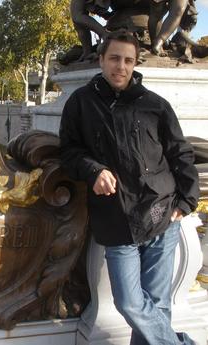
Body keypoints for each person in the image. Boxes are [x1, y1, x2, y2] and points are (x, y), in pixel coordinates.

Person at [59, 29, 199, 344]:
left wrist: (186, 203)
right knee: (130, 303)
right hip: (115, 220)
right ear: (101, 59)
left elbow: (180, 153)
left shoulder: (155, 105)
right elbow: (68, 150)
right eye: (114, 58)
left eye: (128, 60)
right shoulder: (81, 103)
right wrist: (93, 170)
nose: (120, 66)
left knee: (158, 305)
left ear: (135, 64)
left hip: (162, 215)